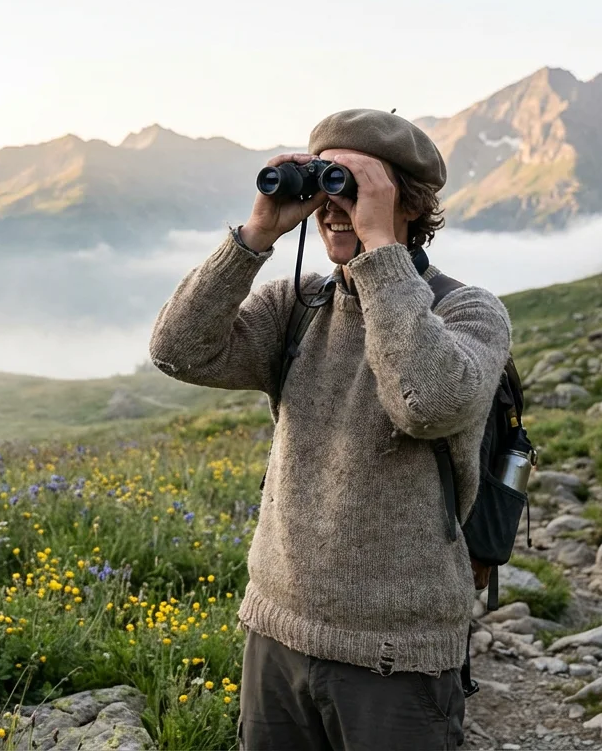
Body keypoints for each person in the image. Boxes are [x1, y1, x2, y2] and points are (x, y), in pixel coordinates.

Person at [148, 109, 512, 751]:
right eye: (323, 188)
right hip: (277, 630)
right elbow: (178, 350)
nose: (331, 209)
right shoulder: (299, 304)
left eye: (352, 187)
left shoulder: (469, 312)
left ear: (410, 201)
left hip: (396, 654)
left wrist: (379, 251)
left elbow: (424, 401)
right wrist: (256, 235)